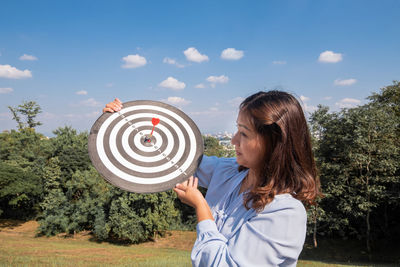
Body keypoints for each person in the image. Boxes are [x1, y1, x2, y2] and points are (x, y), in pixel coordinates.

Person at [104, 91, 321, 266]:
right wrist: (121, 120)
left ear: (274, 144)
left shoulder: (285, 213)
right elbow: (172, 161)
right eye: (236, 130)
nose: (234, 140)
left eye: (244, 134)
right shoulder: (229, 171)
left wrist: (200, 206)